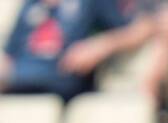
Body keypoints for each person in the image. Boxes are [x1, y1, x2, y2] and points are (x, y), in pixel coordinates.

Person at [0, 0, 154, 100]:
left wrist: (102, 45)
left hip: (64, 73)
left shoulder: (89, 3)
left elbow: (142, 28)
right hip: (19, 76)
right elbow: (10, 53)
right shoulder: (31, 4)